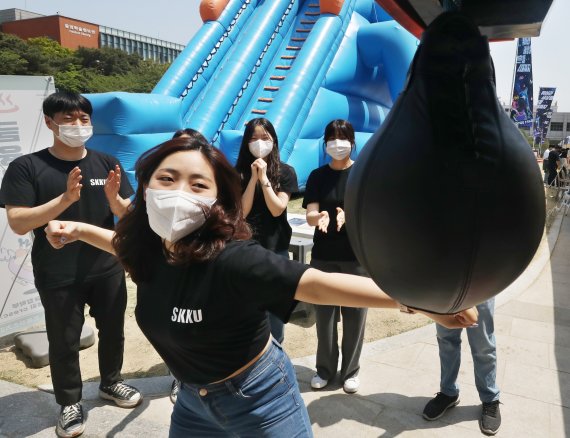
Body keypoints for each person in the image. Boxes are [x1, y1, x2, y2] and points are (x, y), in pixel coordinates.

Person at [44, 136, 478, 437]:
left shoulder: (233, 259)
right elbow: (122, 247)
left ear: (216, 201)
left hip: (259, 397)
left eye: (198, 184)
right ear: (147, 185)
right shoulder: (154, 248)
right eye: (166, 178)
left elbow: (320, 286)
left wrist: (418, 303)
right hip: (193, 401)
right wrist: (80, 229)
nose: (178, 192)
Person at [0, 91, 142, 438]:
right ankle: (69, 402)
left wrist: (116, 202)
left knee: (114, 331)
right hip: (57, 272)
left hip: (106, 267)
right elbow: (18, 221)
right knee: (63, 339)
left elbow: (129, 214)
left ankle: (111, 382)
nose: (78, 126)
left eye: (83, 119)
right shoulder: (27, 167)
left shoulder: (107, 162)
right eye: (68, 119)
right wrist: (64, 199)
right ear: (49, 122)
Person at [302, 119, 368, 394]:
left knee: (354, 315)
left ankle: (351, 371)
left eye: (342, 138)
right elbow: (309, 215)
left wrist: (348, 215)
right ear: (325, 143)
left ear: (352, 142)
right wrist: (320, 216)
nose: (337, 143)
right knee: (325, 318)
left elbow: (371, 214)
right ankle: (325, 370)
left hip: (355, 257)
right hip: (324, 257)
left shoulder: (363, 174)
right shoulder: (318, 176)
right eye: (332, 138)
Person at [235, 117, 298, 344]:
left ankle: (276, 360)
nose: (259, 143)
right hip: (245, 249)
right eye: (253, 138)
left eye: (265, 138)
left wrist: (263, 179)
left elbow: (277, 209)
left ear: (274, 140)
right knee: (246, 309)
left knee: (275, 315)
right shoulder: (238, 173)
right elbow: (242, 211)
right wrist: (252, 179)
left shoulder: (285, 172)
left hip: (275, 250)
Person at [167, 127, 209, 405]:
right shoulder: (162, 185)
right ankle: (178, 376)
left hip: (203, 263)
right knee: (174, 324)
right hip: (171, 266)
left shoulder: (208, 182)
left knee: (204, 323)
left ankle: (201, 374)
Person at [423, 299, 501, 436]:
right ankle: (448, 392)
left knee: (483, 346)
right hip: (447, 287)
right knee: (446, 341)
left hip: (480, 284)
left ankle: (490, 399)